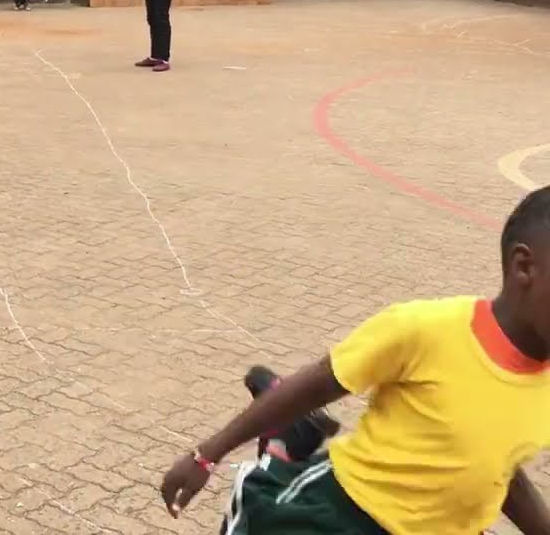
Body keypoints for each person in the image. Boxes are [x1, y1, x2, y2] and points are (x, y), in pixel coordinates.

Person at [160, 184, 550, 535]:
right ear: (524, 267)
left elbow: (496, 466)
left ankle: (291, 436)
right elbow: (318, 383)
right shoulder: (425, 330)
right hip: (348, 514)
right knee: (257, 519)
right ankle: (282, 444)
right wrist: (207, 454)